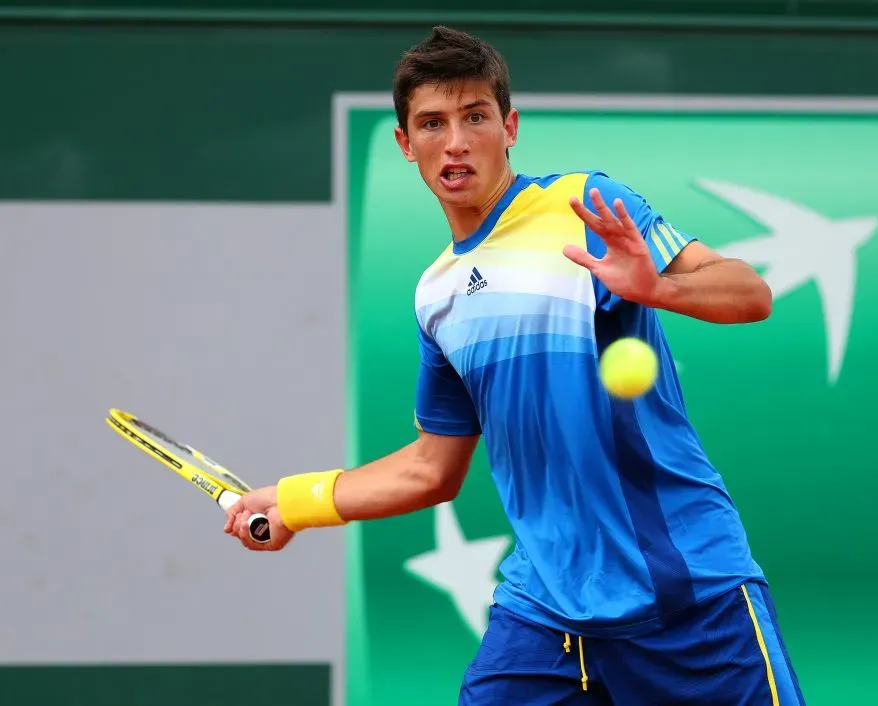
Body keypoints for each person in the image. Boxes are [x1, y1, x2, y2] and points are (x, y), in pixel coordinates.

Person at [225, 25, 805, 706]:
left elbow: (751, 294)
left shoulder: (584, 205)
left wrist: (659, 288)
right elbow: (431, 469)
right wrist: (294, 503)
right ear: (406, 146)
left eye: (475, 117)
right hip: (546, 612)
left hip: (686, 595)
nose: (456, 140)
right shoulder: (436, 295)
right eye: (432, 124)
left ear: (510, 127)